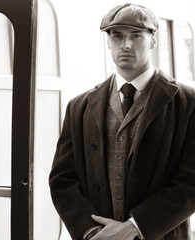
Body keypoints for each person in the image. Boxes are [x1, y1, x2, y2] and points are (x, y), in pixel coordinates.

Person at [49, 3, 195, 240]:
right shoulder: (80, 106)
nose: (126, 44)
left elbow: (191, 182)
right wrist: (92, 231)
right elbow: (62, 179)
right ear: (108, 42)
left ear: (153, 40)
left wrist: (136, 226)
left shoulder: (188, 103)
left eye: (136, 35)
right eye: (117, 36)